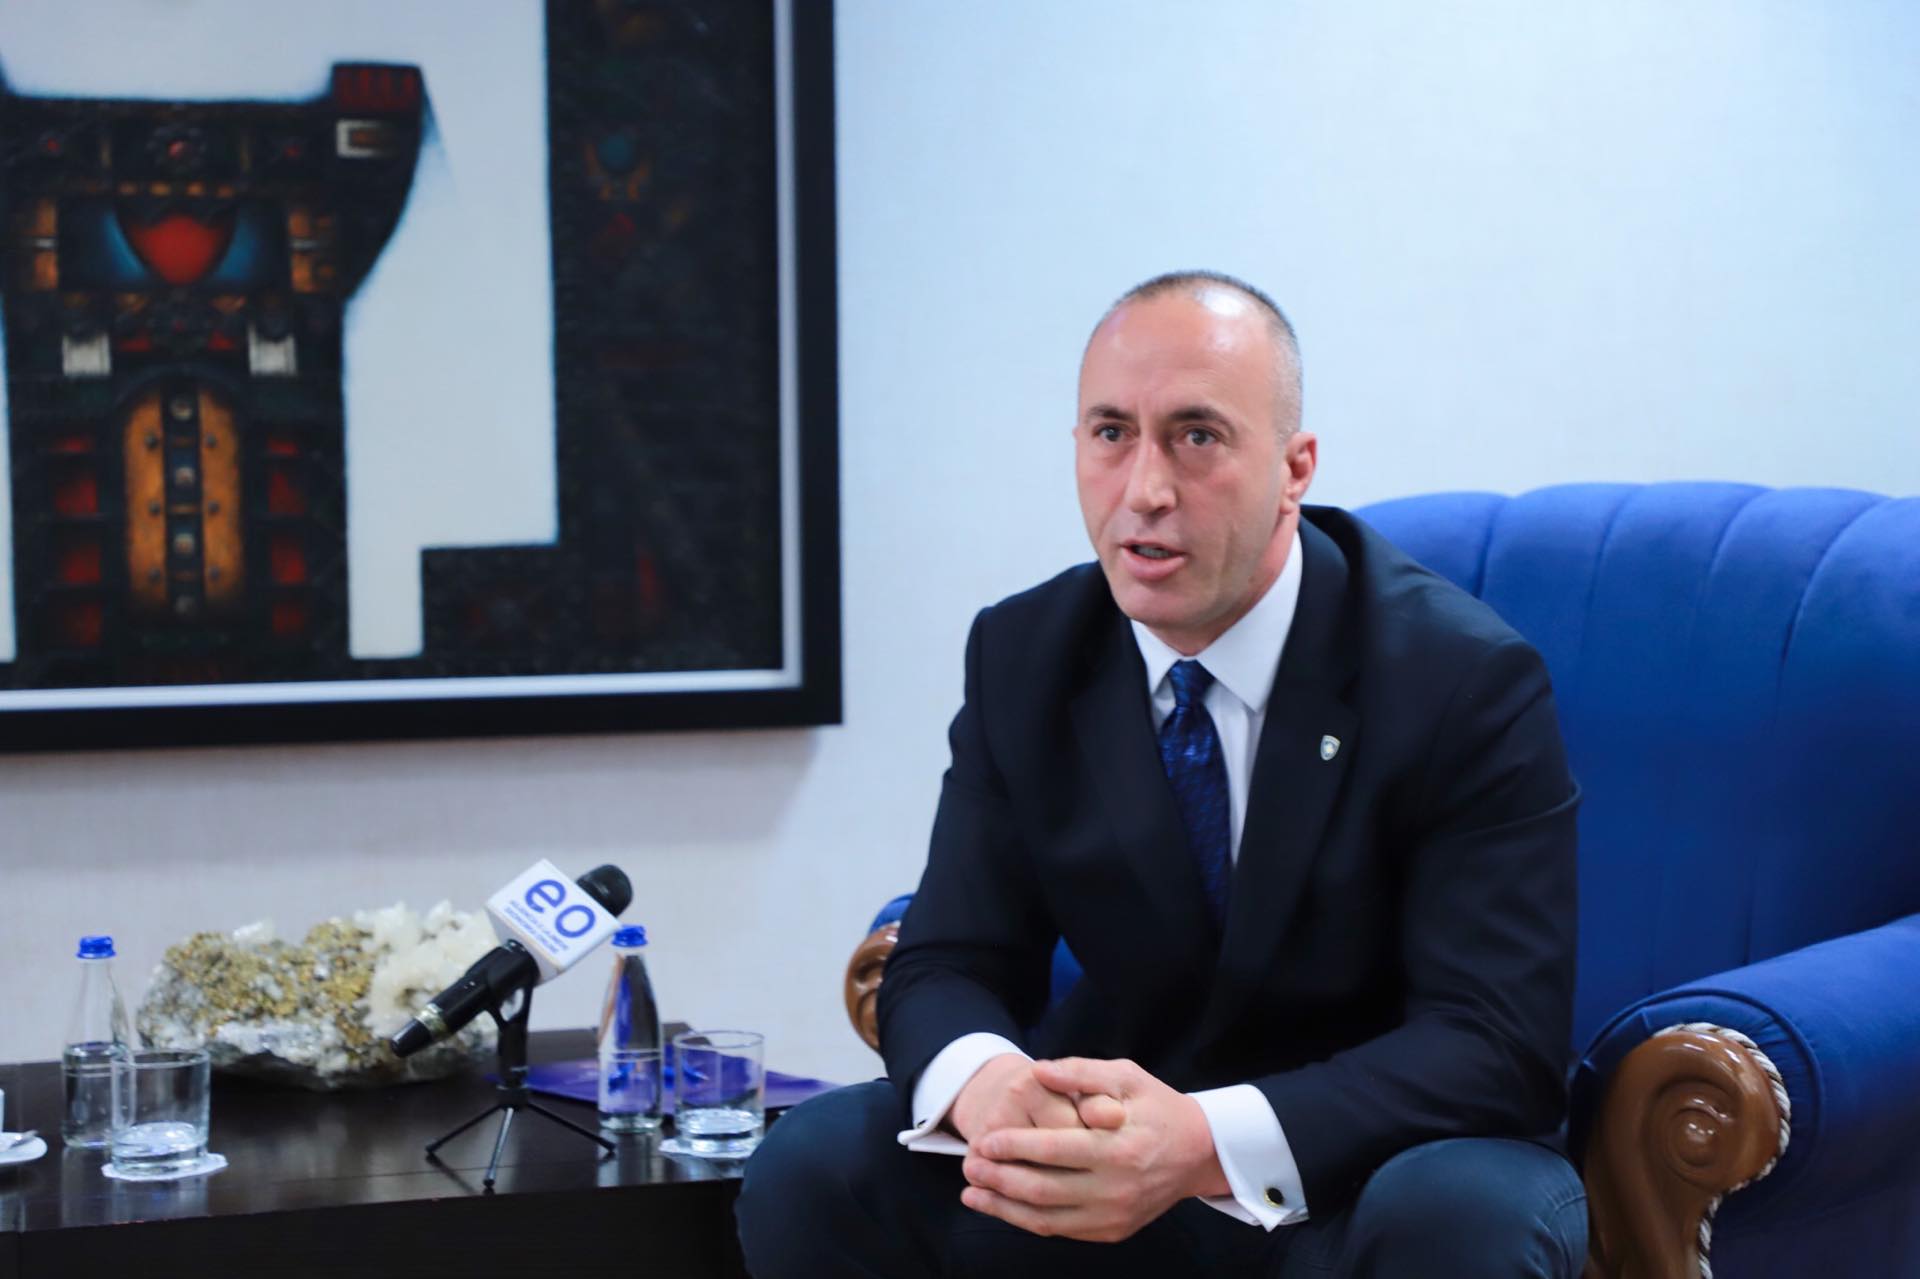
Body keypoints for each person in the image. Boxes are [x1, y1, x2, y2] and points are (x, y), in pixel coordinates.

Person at [737, 271, 1587, 1277]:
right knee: (819, 1162)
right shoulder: (1028, 653)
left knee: (1464, 1215)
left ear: (1295, 468)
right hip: (1115, 1154)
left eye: (1197, 436)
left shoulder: (1459, 678)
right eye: (1112, 433)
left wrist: (1201, 1139)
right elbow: (949, 956)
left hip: (1366, 1164)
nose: (1144, 488)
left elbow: (1494, 1040)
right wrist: (993, 1086)